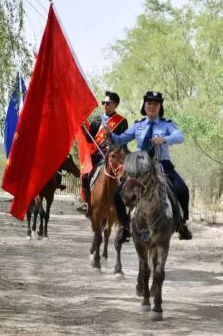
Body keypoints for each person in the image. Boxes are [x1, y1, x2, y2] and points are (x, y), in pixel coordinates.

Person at [108, 91, 193, 240]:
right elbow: (120, 140)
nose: (153, 106)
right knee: (118, 194)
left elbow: (180, 137)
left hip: (163, 166)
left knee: (182, 189)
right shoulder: (138, 125)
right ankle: (125, 227)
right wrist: (110, 134)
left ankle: (182, 224)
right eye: (149, 103)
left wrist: (164, 139)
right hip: (142, 168)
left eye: (156, 104)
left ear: (160, 107)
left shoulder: (167, 124)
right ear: (144, 106)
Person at [80, 91, 128, 217]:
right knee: (85, 175)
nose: (105, 105)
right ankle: (86, 203)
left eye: (108, 103)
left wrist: (111, 139)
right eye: (103, 103)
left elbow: (123, 141)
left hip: (114, 156)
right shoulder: (97, 121)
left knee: (124, 175)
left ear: (115, 105)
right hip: (98, 155)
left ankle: (125, 202)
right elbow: (90, 140)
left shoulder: (122, 122)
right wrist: (83, 130)